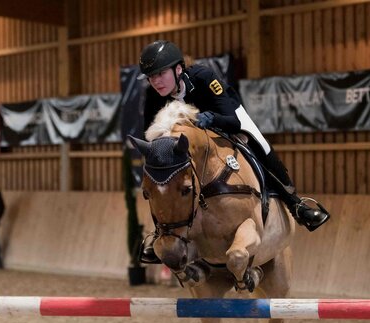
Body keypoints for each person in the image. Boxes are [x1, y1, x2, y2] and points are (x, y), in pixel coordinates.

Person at [137, 40, 330, 263]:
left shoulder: (203, 77)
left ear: (178, 69)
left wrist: (212, 118)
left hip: (226, 120)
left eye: (160, 74)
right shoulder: (152, 96)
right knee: (163, 182)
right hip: (192, 142)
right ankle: (159, 233)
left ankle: (295, 204)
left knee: (259, 144)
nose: (156, 81)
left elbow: (233, 121)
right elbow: (152, 138)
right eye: (151, 77)